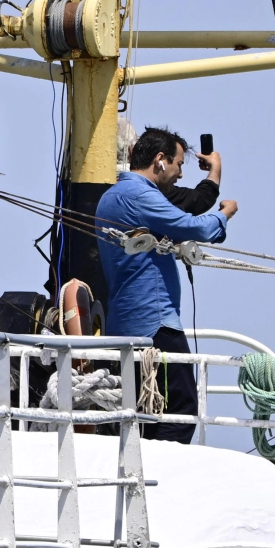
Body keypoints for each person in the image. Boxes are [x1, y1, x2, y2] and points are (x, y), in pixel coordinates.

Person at [95, 127, 235, 444]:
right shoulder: (140, 195)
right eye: (178, 164)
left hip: (126, 324)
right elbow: (193, 225)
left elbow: (180, 213)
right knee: (181, 410)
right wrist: (225, 214)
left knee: (146, 410)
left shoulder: (111, 197)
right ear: (160, 160)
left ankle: (142, 476)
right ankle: (161, 481)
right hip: (155, 323)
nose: (180, 173)